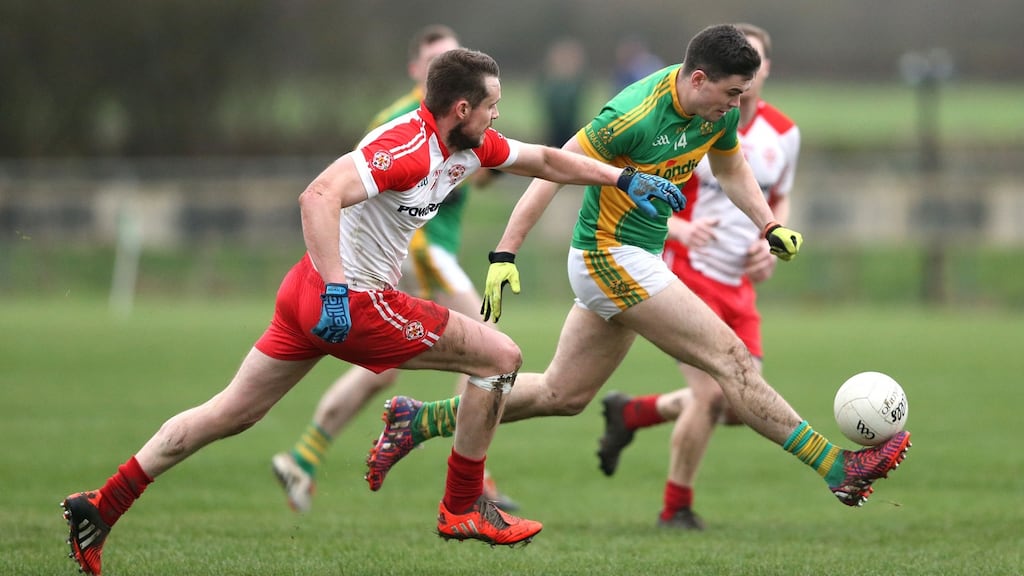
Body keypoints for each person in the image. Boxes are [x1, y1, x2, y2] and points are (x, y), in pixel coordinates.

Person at [59, 47, 687, 575]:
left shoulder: (472, 146)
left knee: (232, 412)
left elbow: (547, 160)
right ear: (462, 108)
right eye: (492, 104)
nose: (499, 114)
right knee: (502, 357)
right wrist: (338, 288)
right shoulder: (408, 147)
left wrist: (622, 180)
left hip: (306, 293)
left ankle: (103, 504)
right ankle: (462, 506)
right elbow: (318, 196)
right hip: (349, 299)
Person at [363, 24, 911, 519]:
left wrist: (768, 225)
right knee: (732, 359)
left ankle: (419, 419)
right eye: (732, 94)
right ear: (699, 80)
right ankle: (839, 470)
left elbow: (731, 166)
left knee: (564, 394)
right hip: (608, 255)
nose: (739, 105)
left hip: (635, 259)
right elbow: (551, 170)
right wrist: (505, 254)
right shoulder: (632, 115)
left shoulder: (714, 113)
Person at [270, 24, 518, 515]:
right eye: (436, 59)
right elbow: (358, 188)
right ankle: (474, 476)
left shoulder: (466, 122)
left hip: (417, 254)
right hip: (418, 253)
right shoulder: (399, 120)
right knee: (487, 350)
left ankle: (304, 458)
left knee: (380, 371)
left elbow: (482, 176)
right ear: (418, 72)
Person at [595, 23, 803, 530]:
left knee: (739, 404)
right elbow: (657, 191)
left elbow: (776, 197)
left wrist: (769, 244)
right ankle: (675, 508)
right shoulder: (695, 121)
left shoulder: (784, 133)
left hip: (740, 283)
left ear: (764, 70)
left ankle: (635, 412)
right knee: (713, 396)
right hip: (687, 271)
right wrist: (682, 231)